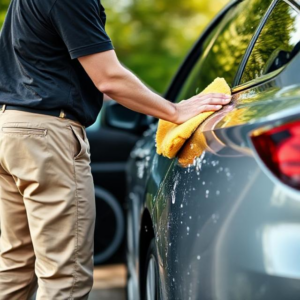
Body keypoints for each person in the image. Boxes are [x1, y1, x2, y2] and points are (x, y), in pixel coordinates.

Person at [0, 0, 231, 299]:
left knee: (13, 265)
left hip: (9, 129)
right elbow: (108, 78)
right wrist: (173, 111)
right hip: (46, 136)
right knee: (65, 276)